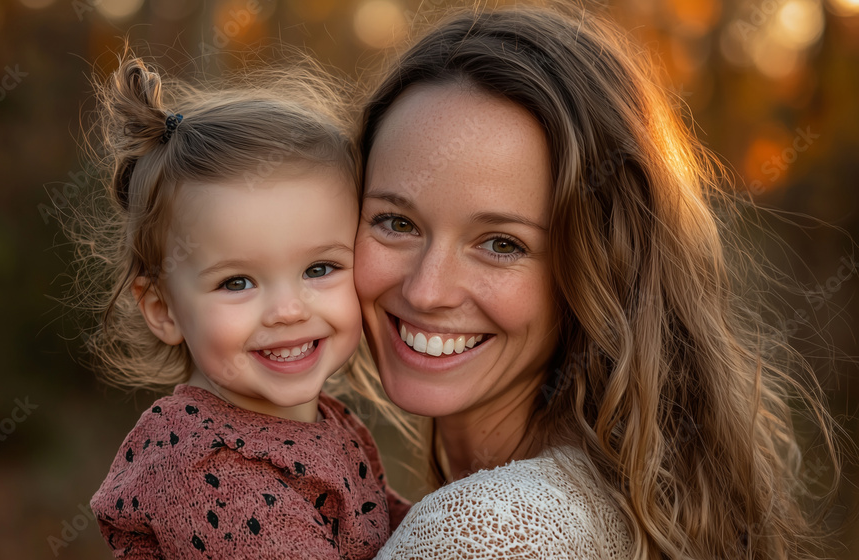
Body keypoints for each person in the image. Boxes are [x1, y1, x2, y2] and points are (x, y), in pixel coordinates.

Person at [350, 5, 840, 560]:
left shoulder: (486, 535)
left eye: (502, 244)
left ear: (600, 269)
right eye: (397, 223)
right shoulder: (618, 497)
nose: (425, 290)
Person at [76, 54, 409, 559]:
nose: (288, 310)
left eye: (319, 269)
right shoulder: (205, 470)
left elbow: (401, 530)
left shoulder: (323, 423)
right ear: (163, 309)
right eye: (237, 281)